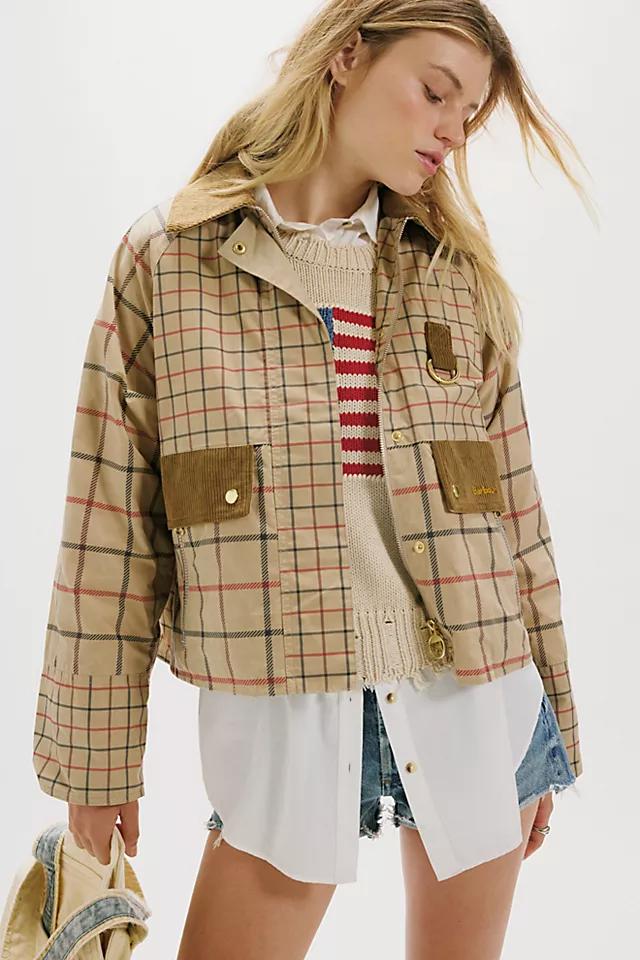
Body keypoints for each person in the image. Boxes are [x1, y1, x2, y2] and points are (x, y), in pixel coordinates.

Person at [32, 2, 590, 957]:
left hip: (479, 708)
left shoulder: (455, 276)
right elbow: (108, 537)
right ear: (346, 56)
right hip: (287, 720)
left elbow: (519, 519)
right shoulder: (171, 262)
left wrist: (551, 736)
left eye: (470, 113)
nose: (453, 131)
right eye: (436, 92)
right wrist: (96, 768)